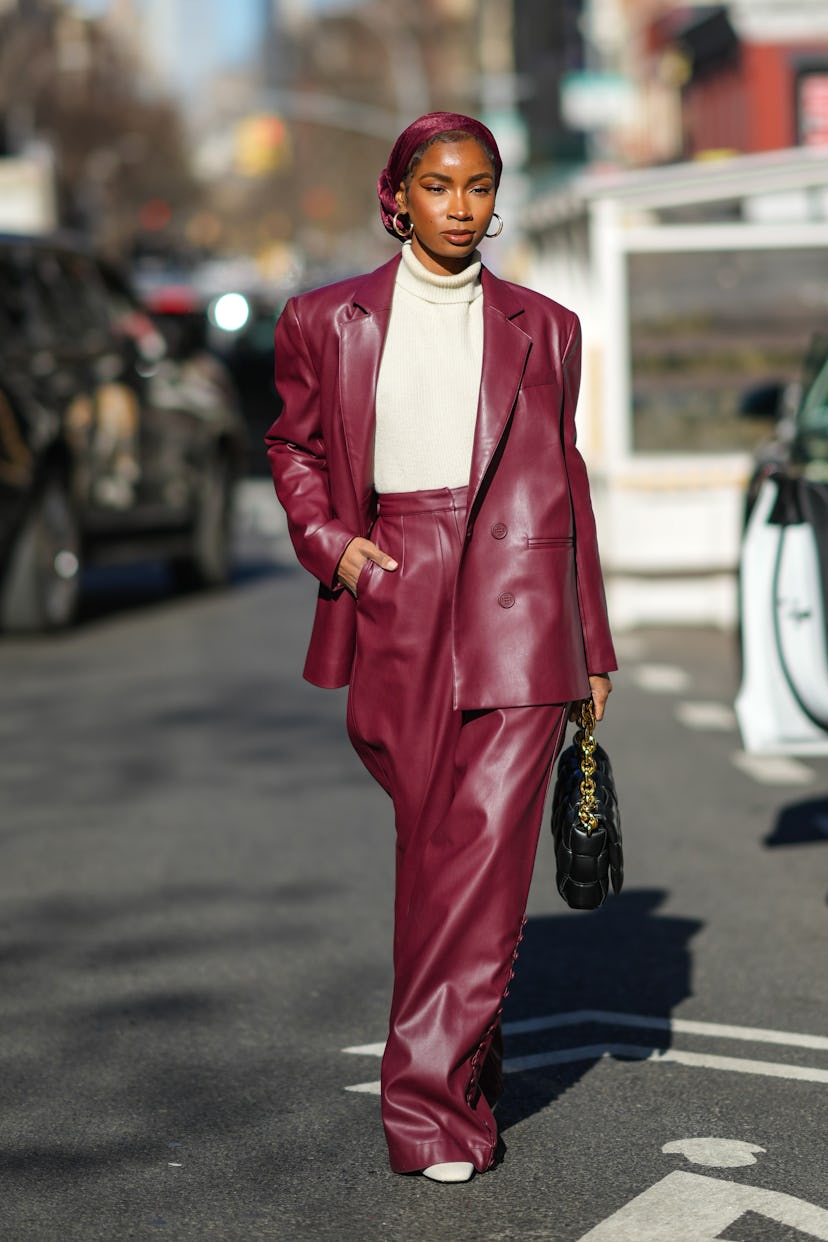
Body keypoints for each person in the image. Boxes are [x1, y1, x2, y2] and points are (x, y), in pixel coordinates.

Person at [265, 112, 616, 1183]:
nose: (462, 206)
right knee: (435, 860)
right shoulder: (325, 318)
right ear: (400, 194)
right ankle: (462, 1063)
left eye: (479, 186)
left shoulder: (546, 327)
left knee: (483, 864)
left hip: (521, 603)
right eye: (440, 186)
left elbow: (572, 485)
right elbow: (295, 449)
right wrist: (339, 550)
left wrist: (591, 640)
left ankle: (423, 1109)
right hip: (397, 593)